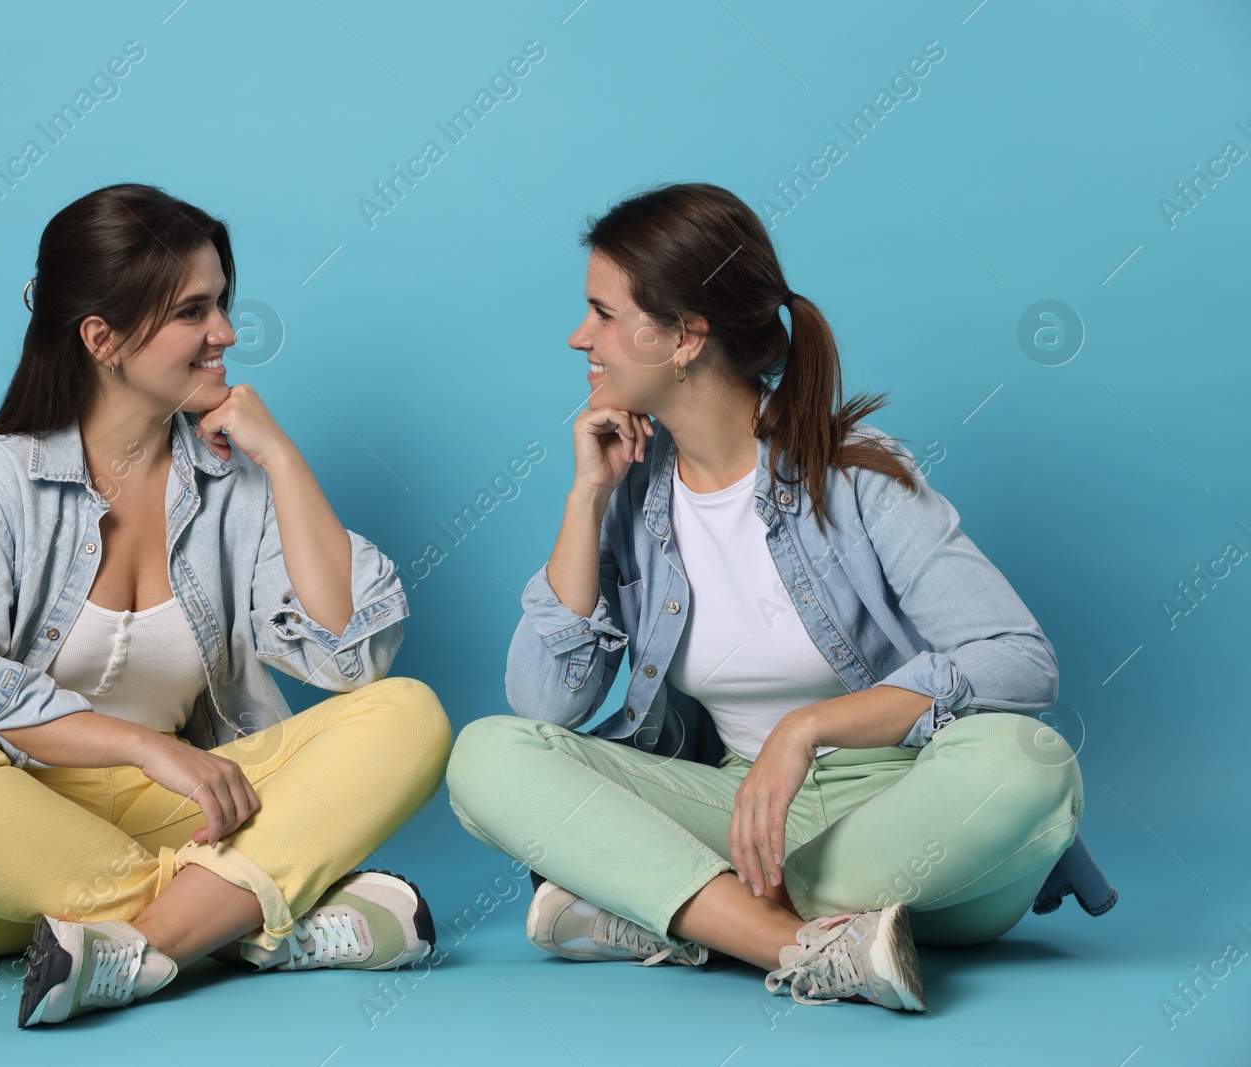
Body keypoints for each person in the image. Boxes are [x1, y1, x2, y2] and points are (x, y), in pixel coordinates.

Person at [444, 181, 1104, 1011]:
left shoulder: (857, 473)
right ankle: (798, 942)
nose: (583, 337)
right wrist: (587, 498)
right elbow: (543, 701)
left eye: (604, 313)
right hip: (740, 812)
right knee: (487, 754)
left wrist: (810, 727)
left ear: (684, 336)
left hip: (913, 815)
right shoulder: (635, 496)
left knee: (1033, 762)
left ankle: (683, 908)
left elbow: (1020, 660)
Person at [0, 183, 452, 1028]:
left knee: (407, 713)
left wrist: (281, 455)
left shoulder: (234, 485)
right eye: (195, 310)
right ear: (101, 338)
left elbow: (350, 654)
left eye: (222, 302)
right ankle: (238, 926)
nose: (225, 332)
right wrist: (144, 749)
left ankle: (140, 947)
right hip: (7, 844)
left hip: (178, 823)